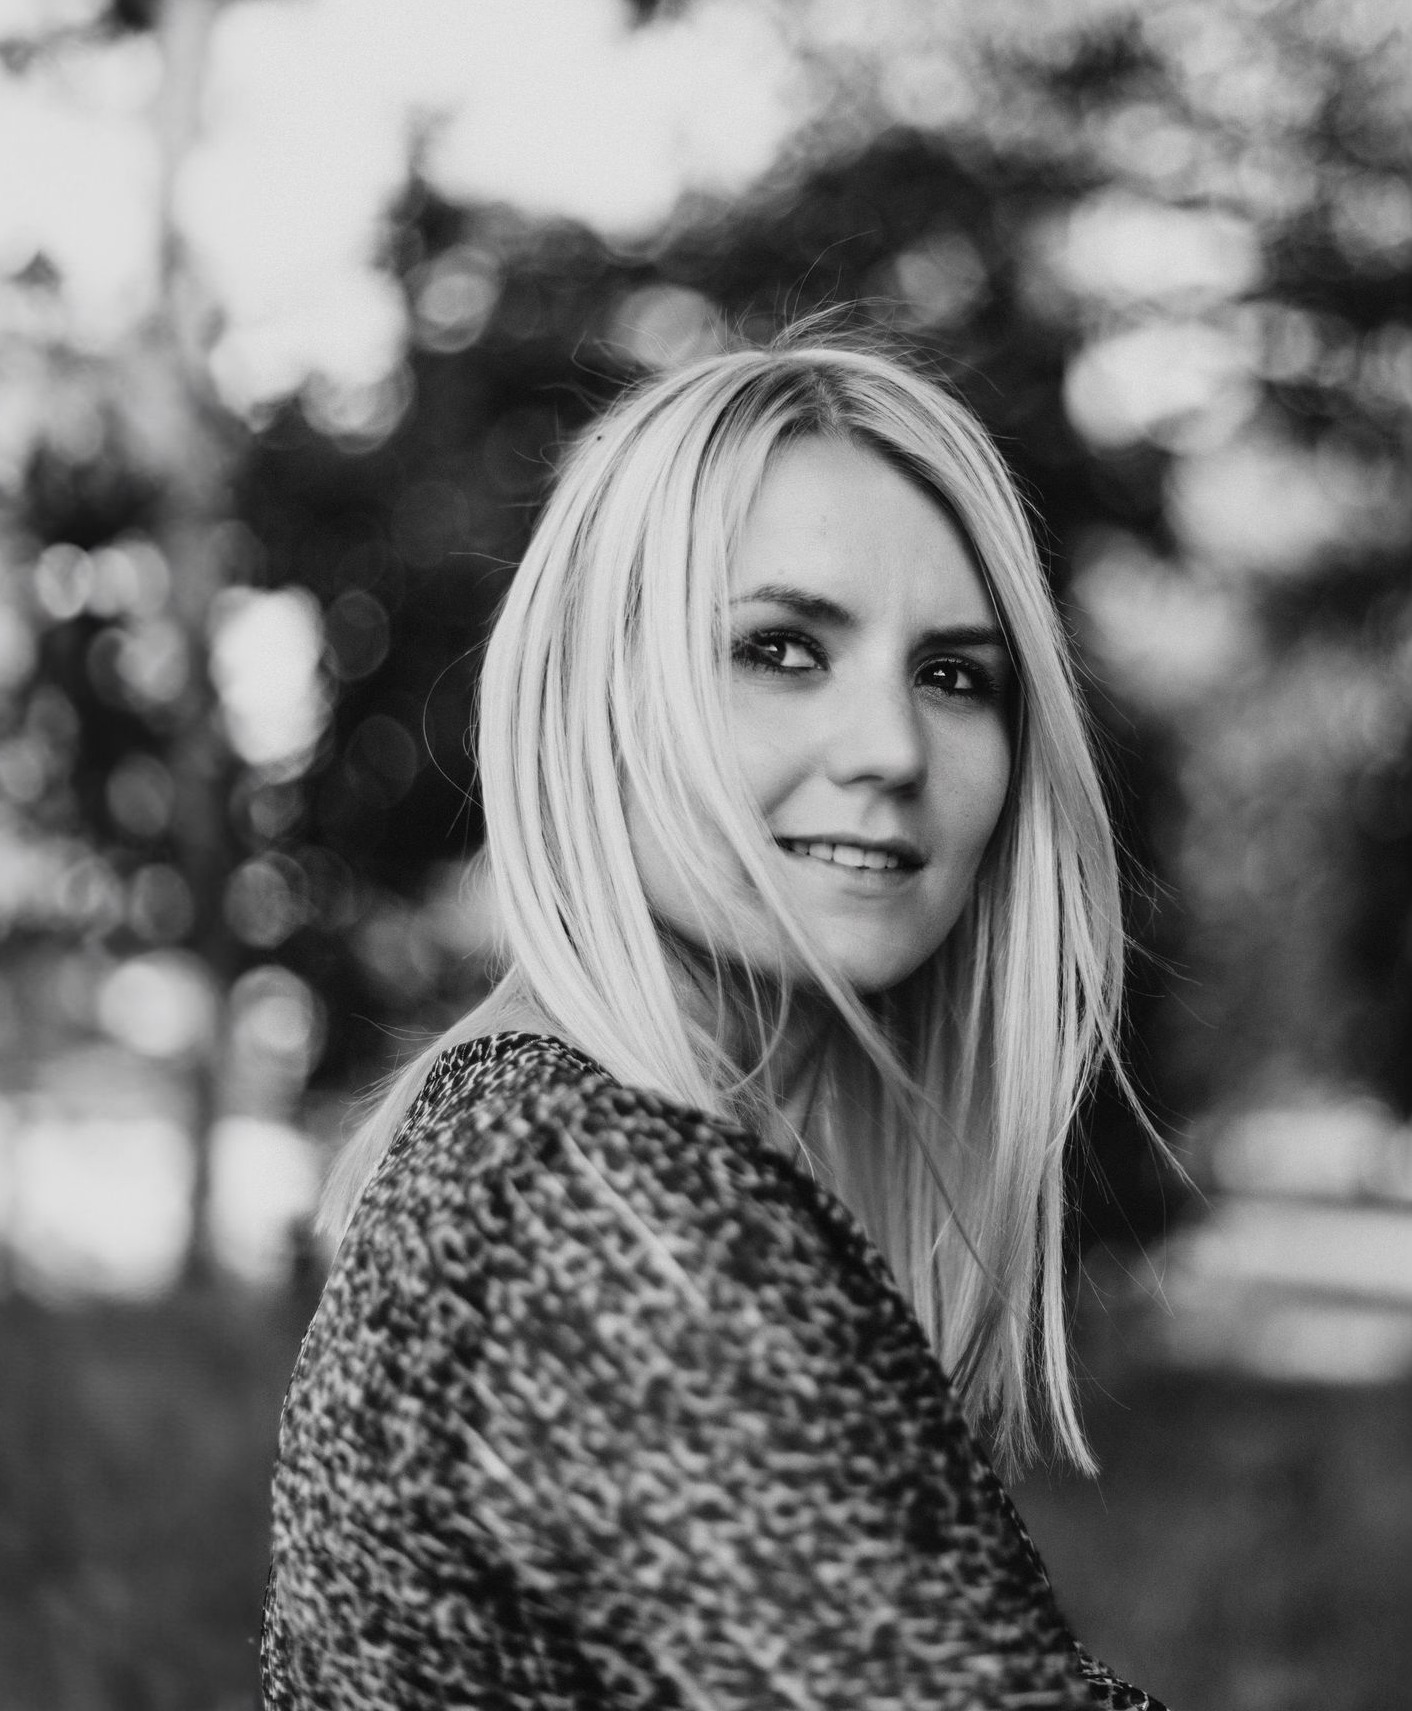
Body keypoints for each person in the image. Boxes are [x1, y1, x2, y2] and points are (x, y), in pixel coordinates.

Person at [260, 334, 1168, 1710]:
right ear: (593, 697)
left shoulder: (528, 1152)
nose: (891, 750)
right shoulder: (594, 1202)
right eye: (780, 650)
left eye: (953, 675)